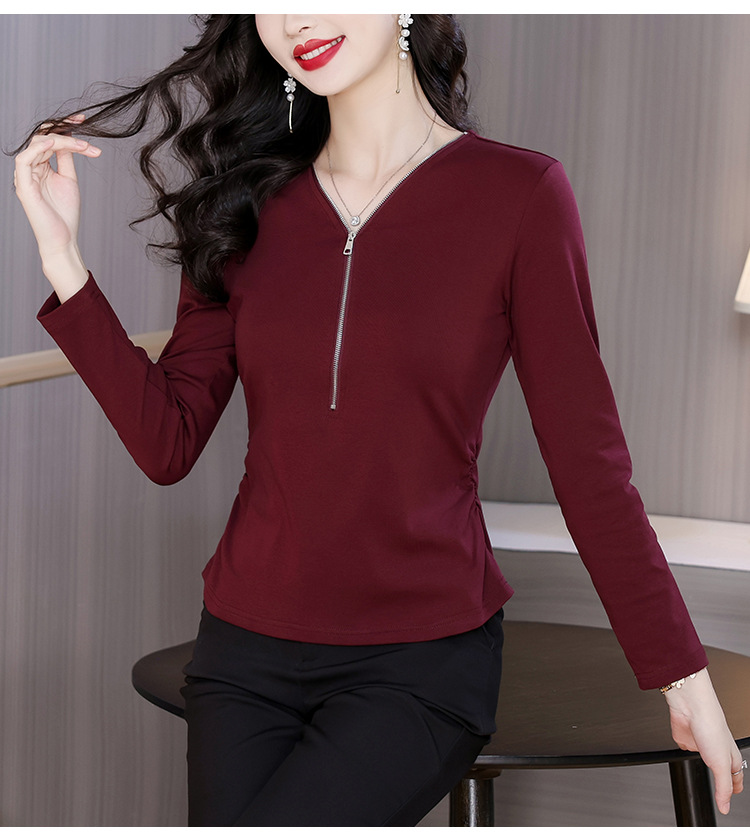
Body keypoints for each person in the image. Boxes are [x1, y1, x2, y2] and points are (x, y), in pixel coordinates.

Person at [12, 14, 745, 827]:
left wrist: (683, 675)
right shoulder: (242, 199)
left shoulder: (519, 195)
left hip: (420, 661)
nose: (297, 19)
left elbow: (589, 465)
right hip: (243, 650)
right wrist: (63, 261)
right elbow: (166, 440)